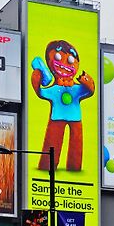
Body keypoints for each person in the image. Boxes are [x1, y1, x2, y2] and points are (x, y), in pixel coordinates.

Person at [31, 40, 95, 171]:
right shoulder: (55, 89)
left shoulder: (77, 89)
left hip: (75, 118)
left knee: (76, 144)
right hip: (57, 117)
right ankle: (47, 165)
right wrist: (36, 80)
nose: (65, 64)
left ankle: (74, 166)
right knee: (53, 142)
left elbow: (90, 90)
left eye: (71, 60)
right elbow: (42, 92)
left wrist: (86, 80)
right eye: (58, 57)